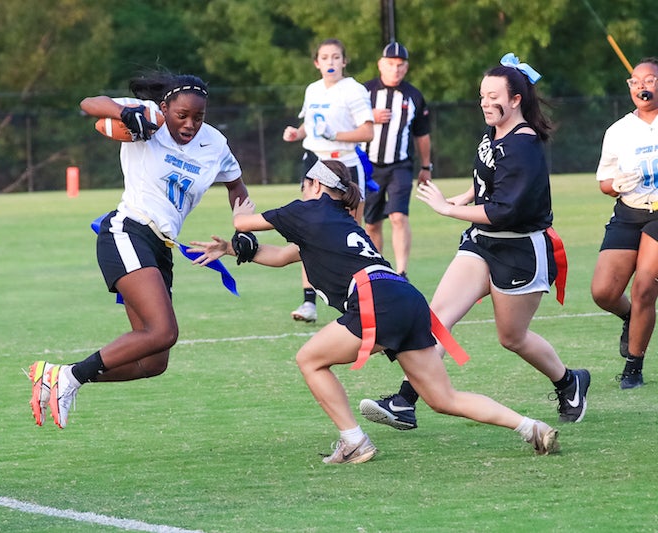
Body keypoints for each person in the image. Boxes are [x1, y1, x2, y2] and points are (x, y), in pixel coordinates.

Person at [190, 160, 559, 464]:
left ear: (315, 185)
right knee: (443, 399)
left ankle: (354, 440)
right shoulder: (341, 222)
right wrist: (232, 250)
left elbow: (244, 223)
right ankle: (531, 427)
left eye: (304, 185)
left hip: (375, 300)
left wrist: (240, 212)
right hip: (404, 297)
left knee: (309, 360)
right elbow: (283, 255)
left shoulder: (309, 208)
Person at [360, 53, 591, 431]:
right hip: (482, 243)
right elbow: (488, 179)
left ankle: (569, 381)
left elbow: (504, 210)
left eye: (494, 96)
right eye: (482, 95)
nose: (485, 103)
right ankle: (405, 401)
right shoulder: (494, 131)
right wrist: (464, 198)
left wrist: (447, 211)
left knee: (512, 338)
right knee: (436, 317)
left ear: (516, 99)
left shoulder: (523, 145)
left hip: (519, 251)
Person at [27, 72, 249, 428]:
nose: (190, 123)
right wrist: (123, 113)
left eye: (199, 116)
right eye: (182, 115)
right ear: (165, 107)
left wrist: (244, 229)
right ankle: (68, 380)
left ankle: (61, 376)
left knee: (153, 362)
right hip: (128, 230)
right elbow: (89, 104)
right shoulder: (148, 115)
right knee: (164, 331)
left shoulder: (215, 144)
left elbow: (236, 186)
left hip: (160, 247)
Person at [283, 38, 374, 323]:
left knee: (350, 234)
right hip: (315, 163)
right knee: (308, 229)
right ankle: (309, 301)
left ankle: (360, 297)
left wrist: (336, 135)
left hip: (344, 165)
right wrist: (297, 134)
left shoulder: (354, 90)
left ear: (344, 61)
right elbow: (311, 125)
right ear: (317, 62)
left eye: (336, 57)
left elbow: (367, 132)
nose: (331, 62)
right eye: (325, 57)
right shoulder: (312, 90)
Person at [590, 57, 658, 389]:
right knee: (603, 292)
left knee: (645, 286)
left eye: (649, 80)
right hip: (628, 211)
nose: (642, 86)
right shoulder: (618, 130)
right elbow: (604, 181)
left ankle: (634, 365)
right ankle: (629, 317)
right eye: (635, 81)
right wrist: (616, 184)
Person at [363, 41, 433, 278]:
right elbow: (346, 121)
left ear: (406, 67)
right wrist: (369, 116)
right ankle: (378, 269)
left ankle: (402, 271)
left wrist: (426, 166)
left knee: (398, 216)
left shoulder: (413, 95)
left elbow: (422, 135)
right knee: (371, 222)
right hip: (368, 166)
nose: (396, 69)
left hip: (400, 165)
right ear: (381, 65)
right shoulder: (364, 92)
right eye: (391, 64)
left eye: (400, 65)